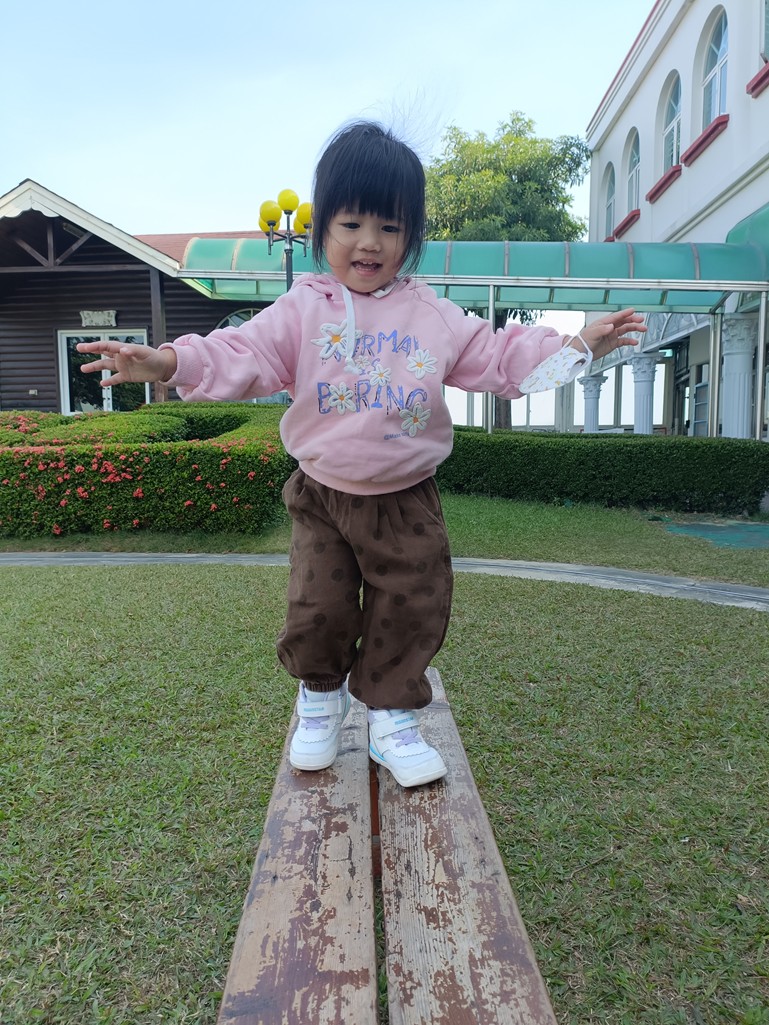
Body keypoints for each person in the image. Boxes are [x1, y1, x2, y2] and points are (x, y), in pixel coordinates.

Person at [76, 120, 645, 789]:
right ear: (321, 229)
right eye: (350, 224)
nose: (369, 242)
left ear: (411, 237)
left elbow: (497, 355)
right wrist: (168, 361)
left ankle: (391, 716)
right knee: (317, 604)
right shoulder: (303, 309)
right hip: (323, 493)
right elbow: (243, 352)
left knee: (411, 604)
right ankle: (320, 698)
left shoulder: (432, 315)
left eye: (389, 227)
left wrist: (574, 346)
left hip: (405, 498)